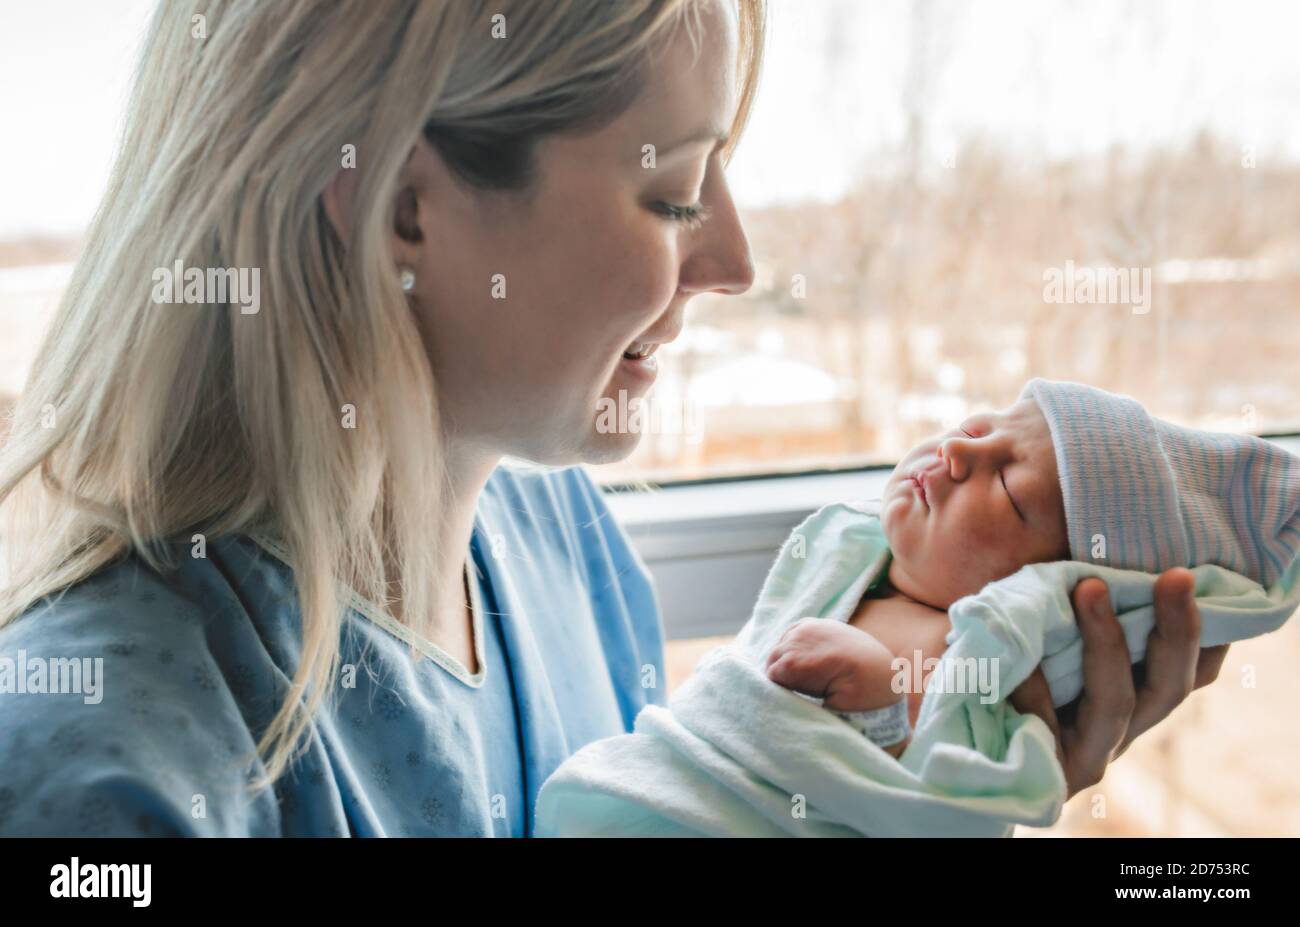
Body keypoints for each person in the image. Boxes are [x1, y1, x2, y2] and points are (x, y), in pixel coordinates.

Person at [0, 0, 1225, 837]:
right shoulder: (108, 775)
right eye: (673, 192)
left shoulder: (560, 543)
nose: (735, 259)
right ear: (404, 208)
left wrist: (900, 789)